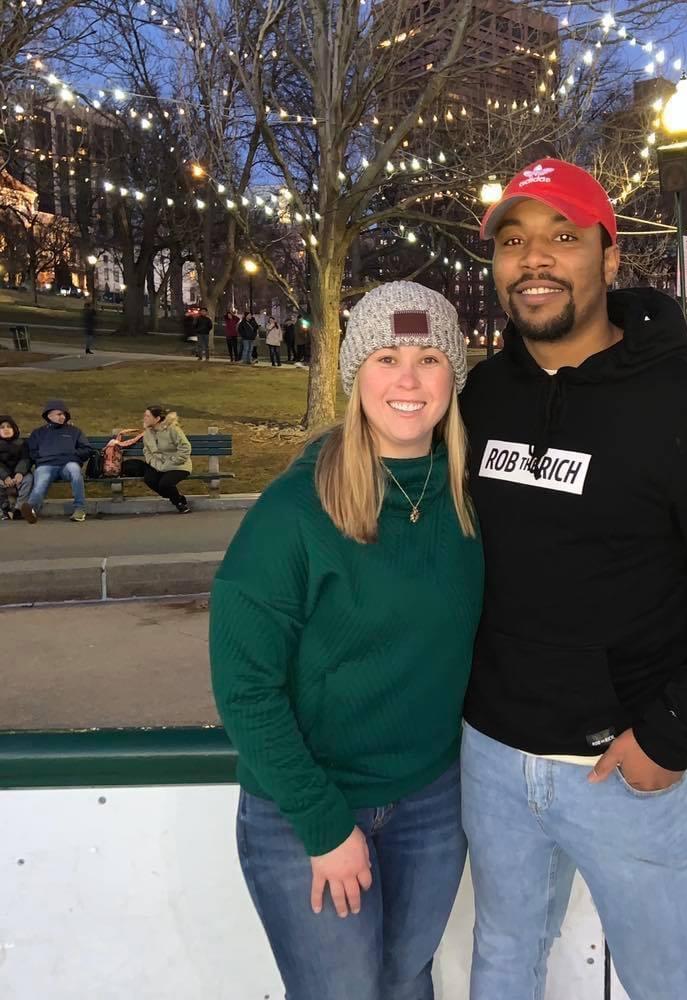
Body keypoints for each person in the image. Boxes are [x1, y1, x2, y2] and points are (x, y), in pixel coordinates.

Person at [459, 159, 687, 1000]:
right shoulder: (482, 396)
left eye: (562, 237)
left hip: (623, 771)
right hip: (491, 759)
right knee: (502, 964)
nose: (534, 260)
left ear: (609, 258)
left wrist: (674, 733)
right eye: (512, 241)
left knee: (672, 987)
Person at [210, 281, 483, 1000]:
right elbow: (245, 687)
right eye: (386, 358)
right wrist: (324, 826)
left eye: (429, 359)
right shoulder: (294, 511)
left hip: (430, 798)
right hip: (308, 804)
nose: (407, 380)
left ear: (453, 376)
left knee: (407, 982)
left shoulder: (469, 497)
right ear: (355, 374)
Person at [23, 399, 93, 524]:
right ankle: (31, 509)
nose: (63, 417)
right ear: (49, 415)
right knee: (42, 480)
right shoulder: (38, 433)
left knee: (75, 471)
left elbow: (86, 449)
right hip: (46, 464)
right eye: (59, 414)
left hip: (68, 463)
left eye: (64, 414)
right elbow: (32, 451)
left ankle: (80, 509)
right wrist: (42, 457)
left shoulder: (74, 431)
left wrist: (73, 454)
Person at [120, 406, 192, 514]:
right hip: (157, 465)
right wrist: (153, 463)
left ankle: (179, 503)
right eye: (145, 415)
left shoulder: (173, 430)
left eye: (148, 416)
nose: (144, 418)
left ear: (157, 419)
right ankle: (176, 497)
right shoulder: (147, 433)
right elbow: (147, 451)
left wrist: (173, 461)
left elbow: (185, 448)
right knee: (150, 480)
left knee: (165, 484)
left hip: (178, 465)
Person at [0, 415, 32, 520]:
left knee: (28, 479)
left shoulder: (22, 443)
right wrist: (5, 477)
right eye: (2, 427)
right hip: (3, 475)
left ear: (14, 429)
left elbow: (25, 459)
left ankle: (19, 508)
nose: (6, 429)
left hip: (18, 474)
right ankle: (4, 508)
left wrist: (20, 473)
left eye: (9, 427)